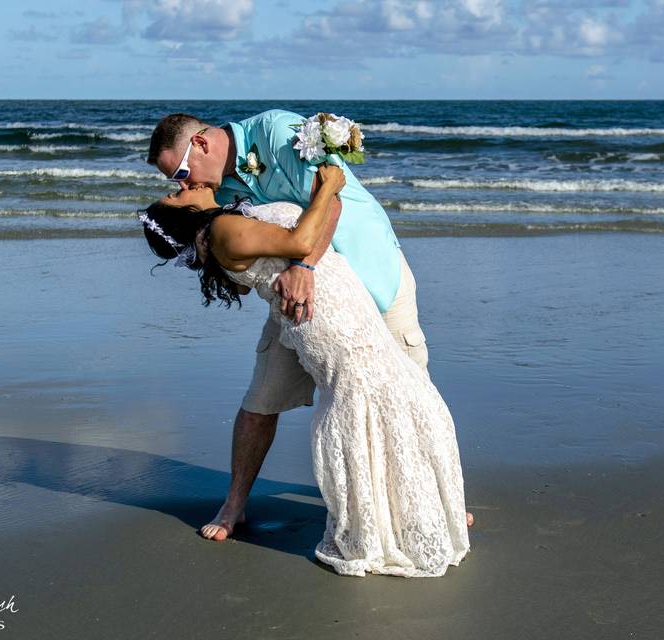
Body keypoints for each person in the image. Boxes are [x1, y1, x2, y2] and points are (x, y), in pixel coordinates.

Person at [147, 110, 475, 540]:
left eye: (183, 172)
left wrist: (305, 265)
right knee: (261, 398)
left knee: (408, 389)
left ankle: (440, 499)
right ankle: (234, 505)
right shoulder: (212, 191)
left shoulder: (276, 132)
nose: (184, 184)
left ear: (203, 143)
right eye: (176, 183)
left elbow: (330, 199)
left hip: (369, 272)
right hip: (298, 301)